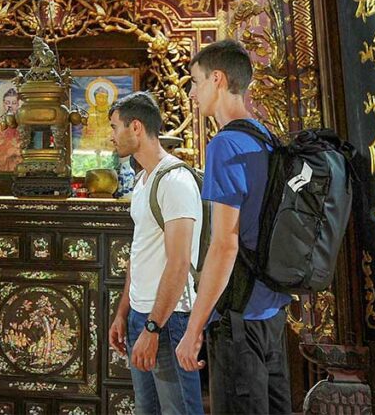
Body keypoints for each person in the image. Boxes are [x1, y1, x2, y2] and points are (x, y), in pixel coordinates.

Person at [175, 40, 293, 415]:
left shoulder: (225, 145)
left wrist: (193, 331)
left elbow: (225, 245)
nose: (192, 92)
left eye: (195, 81)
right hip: (272, 312)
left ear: (218, 79)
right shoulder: (266, 138)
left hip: (238, 318)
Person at [106, 91, 205, 415]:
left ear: (136, 127)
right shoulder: (142, 181)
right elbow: (140, 253)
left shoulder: (175, 180)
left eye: (114, 127)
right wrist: (124, 312)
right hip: (141, 316)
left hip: (168, 319)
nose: (111, 136)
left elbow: (178, 263)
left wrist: (153, 328)